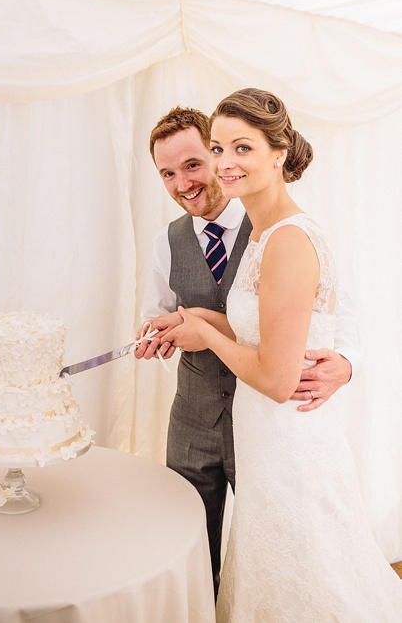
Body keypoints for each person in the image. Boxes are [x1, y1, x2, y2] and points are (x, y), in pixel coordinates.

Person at [158, 88, 402, 619]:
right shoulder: (263, 230)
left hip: (289, 439)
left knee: (312, 576)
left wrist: (348, 361)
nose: (224, 164)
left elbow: (276, 375)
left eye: (239, 149)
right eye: (219, 149)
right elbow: (258, 326)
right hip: (252, 435)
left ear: (279, 152)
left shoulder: (287, 238)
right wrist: (191, 318)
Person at [135, 105, 360, 596]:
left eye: (194, 163)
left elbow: (337, 310)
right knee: (193, 548)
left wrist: (346, 364)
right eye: (167, 173)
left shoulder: (275, 227)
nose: (183, 183)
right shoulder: (166, 242)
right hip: (194, 421)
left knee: (277, 551)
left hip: (267, 424)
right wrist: (162, 332)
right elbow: (162, 310)